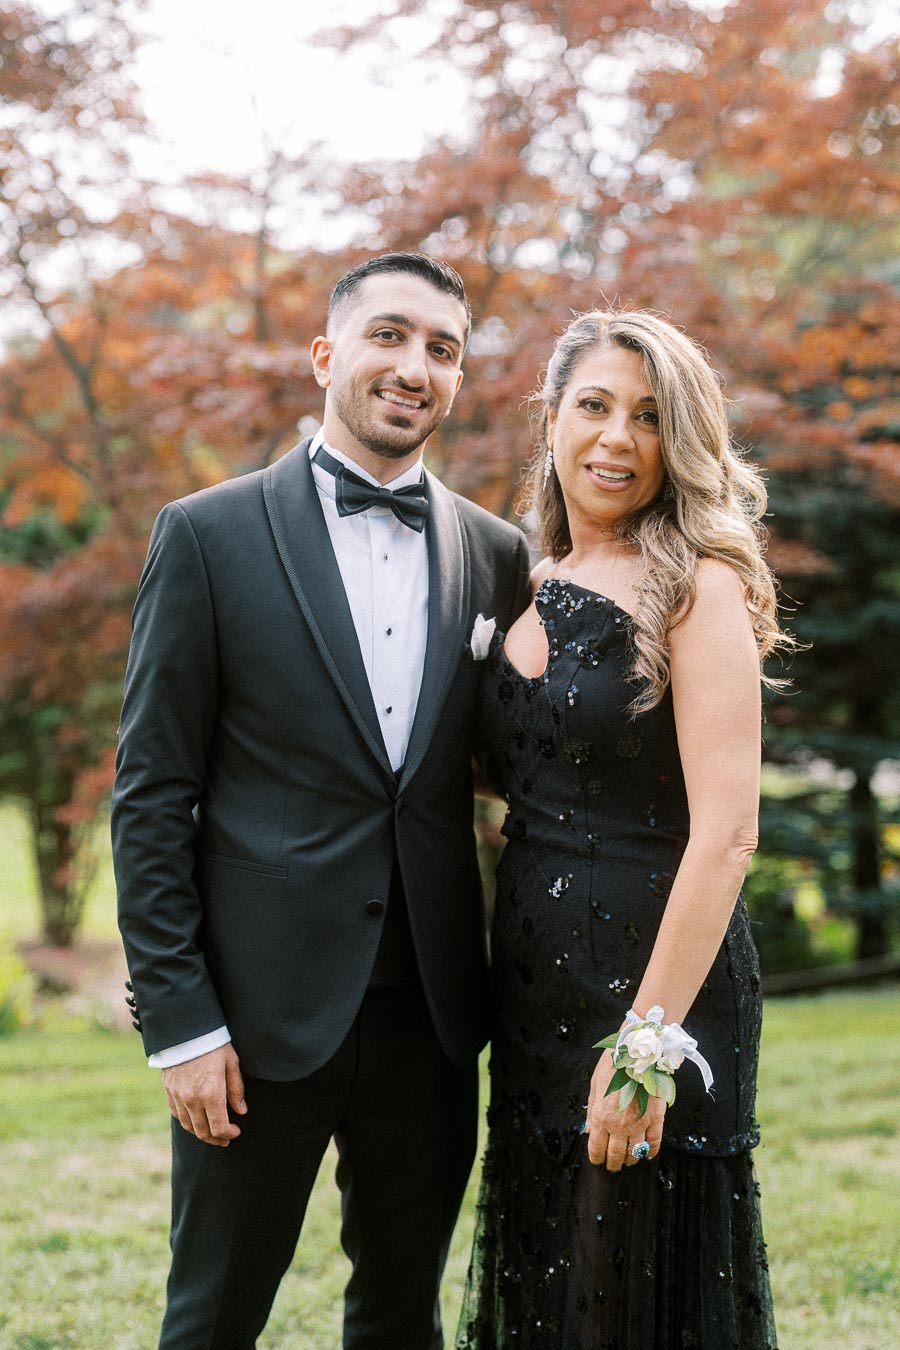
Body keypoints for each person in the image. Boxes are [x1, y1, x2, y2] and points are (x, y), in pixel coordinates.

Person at [111, 251, 531, 1350]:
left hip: (432, 1017)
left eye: (443, 349)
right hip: (252, 1024)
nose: (415, 367)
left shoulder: (499, 553)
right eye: (389, 335)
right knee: (211, 1320)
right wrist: (181, 1023)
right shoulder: (205, 535)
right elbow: (152, 797)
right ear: (324, 354)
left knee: (403, 1316)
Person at [457, 310, 789, 1348]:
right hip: (534, 993)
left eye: (649, 417)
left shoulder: (699, 584)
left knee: (626, 1294)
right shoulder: (513, 582)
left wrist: (646, 1047)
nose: (616, 438)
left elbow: (729, 832)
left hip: (656, 992)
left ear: (679, 438)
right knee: (553, 1282)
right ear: (551, 418)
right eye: (594, 407)